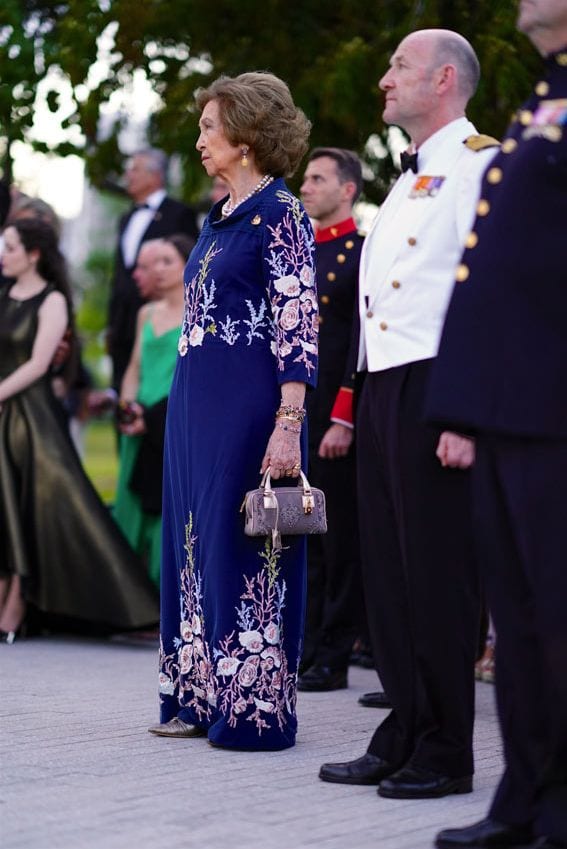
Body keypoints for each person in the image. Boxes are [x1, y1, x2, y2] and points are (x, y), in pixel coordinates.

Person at [319, 29, 500, 797]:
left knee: (436, 575)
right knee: (388, 574)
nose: (385, 79)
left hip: (438, 384)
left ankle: (444, 750)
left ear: (444, 79)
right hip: (386, 383)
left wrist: (468, 409)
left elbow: (486, 290)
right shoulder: (403, 178)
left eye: (399, 66)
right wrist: (357, 403)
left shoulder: (480, 161)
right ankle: (401, 729)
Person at [428, 3, 567, 847]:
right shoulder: (543, 94)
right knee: (518, 622)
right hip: (511, 403)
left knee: (554, 614)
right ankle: (527, 796)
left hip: (553, 405)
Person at [149, 71, 316, 751]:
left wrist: (288, 422)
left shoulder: (282, 211)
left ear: (246, 137)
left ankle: (253, 709)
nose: (199, 141)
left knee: (240, 548)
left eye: (208, 128)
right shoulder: (220, 217)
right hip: (195, 409)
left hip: (248, 406)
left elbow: (298, 320)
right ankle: (196, 694)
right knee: (191, 549)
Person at [0, 218, 159, 643]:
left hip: (31, 417)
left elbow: (37, 365)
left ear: (33, 254)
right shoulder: (2, 294)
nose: (4, 254)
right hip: (3, 411)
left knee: (55, 507)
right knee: (5, 508)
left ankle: (20, 600)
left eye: (10, 247)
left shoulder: (52, 301)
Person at [296, 147, 365, 692]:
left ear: (348, 190)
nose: (306, 186)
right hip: (298, 410)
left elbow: (359, 343)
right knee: (304, 531)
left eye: (317, 179)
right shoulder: (299, 251)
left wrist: (345, 416)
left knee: (339, 536)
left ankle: (335, 652)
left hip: (334, 413)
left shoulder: (362, 252)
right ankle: (308, 643)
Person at [113, 234, 194, 587]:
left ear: (187, 263)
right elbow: (134, 365)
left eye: (167, 261)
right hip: (138, 418)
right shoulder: (145, 312)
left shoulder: (199, 311)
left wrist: (154, 417)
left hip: (170, 421)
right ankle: (127, 593)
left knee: (166, 504)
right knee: (129, 504)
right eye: (153, 263)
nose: (157, 271)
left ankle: (163, 597)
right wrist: (127, 406)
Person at [107, 148, 199, 392]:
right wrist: (112, 321)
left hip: (164, 318)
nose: (128, 175)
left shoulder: (179, 214)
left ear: (155, 175)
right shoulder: (126, 218)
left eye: (135, 169)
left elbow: (189, 264)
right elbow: (120, 272)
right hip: (123, 319)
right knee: (122, 385)